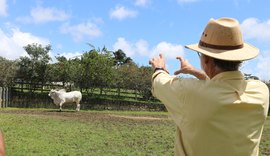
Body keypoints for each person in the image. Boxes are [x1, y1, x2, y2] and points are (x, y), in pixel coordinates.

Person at [149, 17, 269, 156]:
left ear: (206, 59)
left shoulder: (189, 92)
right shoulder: (261, 91)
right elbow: (222, 88)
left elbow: (160, 83)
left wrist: (159, 68)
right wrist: (197, 72)